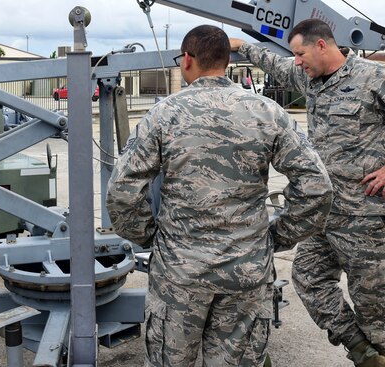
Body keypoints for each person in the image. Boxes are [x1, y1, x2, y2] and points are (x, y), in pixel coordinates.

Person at [107, 24, 333, 367]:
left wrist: (154, 237)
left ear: (186, 60)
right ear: (227, 61)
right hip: (246, 271)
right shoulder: (268, 112)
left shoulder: (164, 114)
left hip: (180, 274)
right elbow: (317, 187)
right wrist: (274, 237)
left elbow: (123, 190)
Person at [230, 19, 385, 367]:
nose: (296, 61)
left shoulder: (374, 78)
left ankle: (376, 356)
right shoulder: (307, 76)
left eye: (300, 53)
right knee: (307, 277)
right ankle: (360, 348)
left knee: (370, 303)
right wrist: (242, 46)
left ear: (322, 46)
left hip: (367, 216)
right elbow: (276, 64)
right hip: (323, 214)